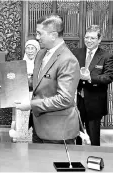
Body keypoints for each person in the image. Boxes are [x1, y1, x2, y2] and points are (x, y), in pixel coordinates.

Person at [15, 14, 80, 144]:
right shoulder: (41, 54)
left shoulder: (68, 60)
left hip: (58, 131)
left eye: (40, 33)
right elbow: (38, 82)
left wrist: (31, 105)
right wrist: (11, 84)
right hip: (38, 127)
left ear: (53, 35)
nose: (37, 37)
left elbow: (64, 99)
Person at [73, 25, 113, 146]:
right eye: (87, 37)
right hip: (77, 100)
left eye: (92, 38)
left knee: (93, 136)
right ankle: (76, 158)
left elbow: (109, 76)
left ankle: (94, 159)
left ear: (99, 39)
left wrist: (90, 78)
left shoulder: (106, 56)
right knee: (76, 134)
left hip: (95, 101)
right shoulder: (76, 53)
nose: (89, 40)